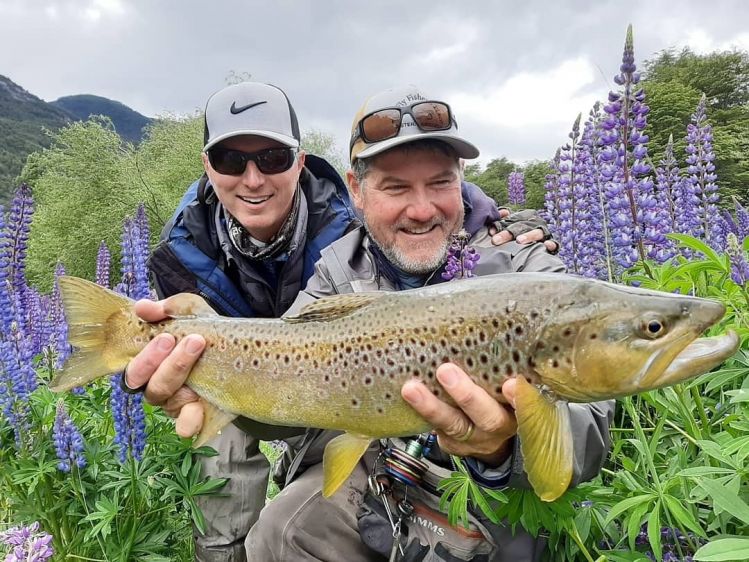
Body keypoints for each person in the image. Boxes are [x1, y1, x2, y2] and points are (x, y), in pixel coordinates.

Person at [124, 81, 558, 561]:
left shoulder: (518, 260)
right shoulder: (328, 267)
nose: (421, 208)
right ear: (358, 192)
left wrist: (500, 448)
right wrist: (209, 383)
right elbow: (289, 391)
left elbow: (591, 424)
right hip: (367, 449)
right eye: (395, 187)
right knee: (272, 523)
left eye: (440, 182)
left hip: (494, 492)